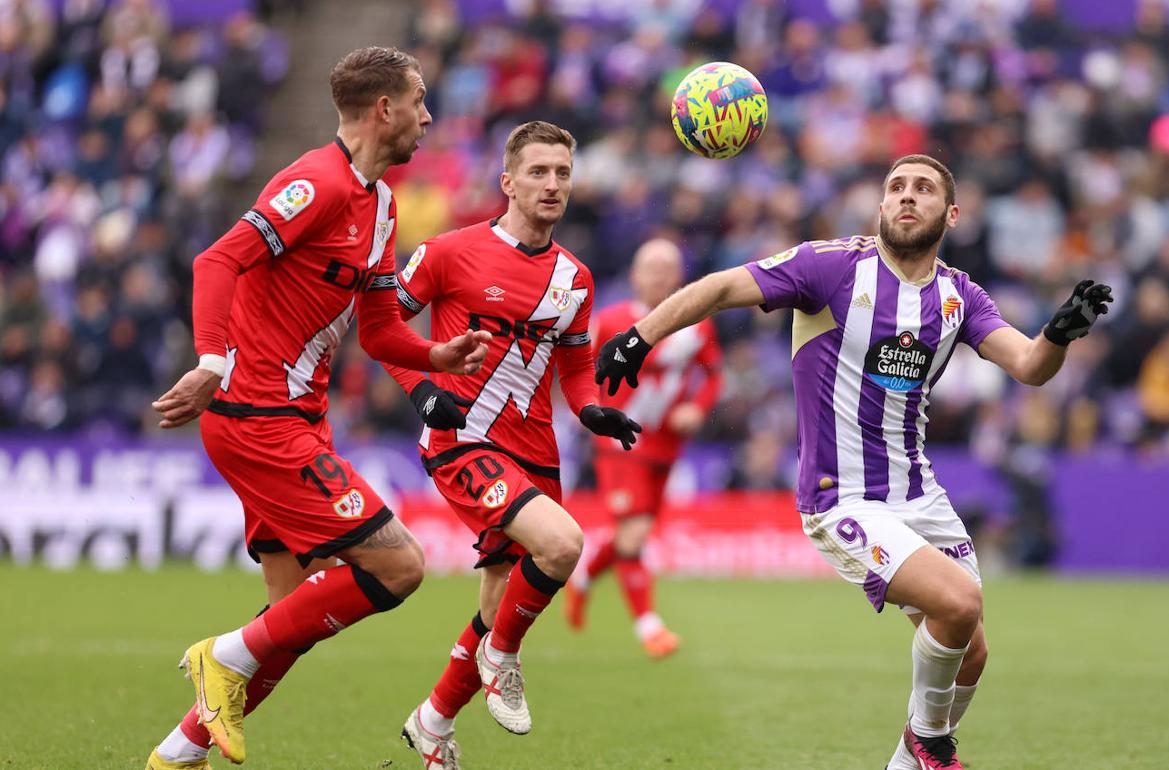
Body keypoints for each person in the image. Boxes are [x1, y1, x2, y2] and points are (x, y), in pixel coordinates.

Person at [596, 154, 1112, 770]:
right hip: (842, 496)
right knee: (960, 605)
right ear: (880, 206)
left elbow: (1029, 367)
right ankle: (929, 740)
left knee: (971, 653)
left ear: (950, 214)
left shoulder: (958, 295)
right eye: (895, 187)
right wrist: (640, 335)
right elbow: (720, 286)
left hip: (920, 496)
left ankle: (909, 757)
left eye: (923, 189)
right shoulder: (831, 267)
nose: (906, 196)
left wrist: (1059, 334)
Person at [145, 47, 491, 769]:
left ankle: (177, 754)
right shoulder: (316, 182)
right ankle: (222, 656)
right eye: (420, 100)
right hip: (255, 415)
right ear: (384, 110)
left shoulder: (382, 204)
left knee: (291, 619)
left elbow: (380, 329)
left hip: (295, 417)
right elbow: (217, 260)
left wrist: (436, 356)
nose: (430, 115)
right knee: (399, 566)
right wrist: (212, 362)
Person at [383, 120, 641, 769]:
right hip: (462, 438)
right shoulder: (449, 252)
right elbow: (383, 326)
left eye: (562, 173)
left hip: (536, 451)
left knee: (501, 597)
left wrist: (592, 410)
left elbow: (575, 365)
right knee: (562, 545)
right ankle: (502, 657)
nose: (552, 184)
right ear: (507, 182)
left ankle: (434, 722)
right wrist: (421, 391)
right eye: (538, 172)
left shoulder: (574, 278)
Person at [564, 237, 722, 659]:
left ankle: (581, 580)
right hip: (620, 442)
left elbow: (713, 375)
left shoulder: (697, 325)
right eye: (651, 268)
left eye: (667, 269)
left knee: (630, 534)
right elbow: (576, 368)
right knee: (633, 537)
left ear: (679, 277)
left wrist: (696, 408)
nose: (659, 276)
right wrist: (589, 410)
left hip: (666, 445)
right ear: (634, 276)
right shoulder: (611, 319)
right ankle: (649, 627)